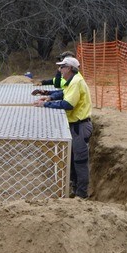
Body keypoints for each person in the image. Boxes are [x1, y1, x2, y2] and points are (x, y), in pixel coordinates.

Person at [34, 56, 93, 199]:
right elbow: (64, 93)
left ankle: (81, 194)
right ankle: (75, 190)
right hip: (76, 125)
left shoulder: (76, 81)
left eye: (62, 67)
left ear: (69, 69)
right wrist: (50, 97)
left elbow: (68, 104)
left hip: (79, 126)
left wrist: (46, 104)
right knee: (72, 160)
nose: (59, 69)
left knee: (79, 162)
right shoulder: (72, 81)